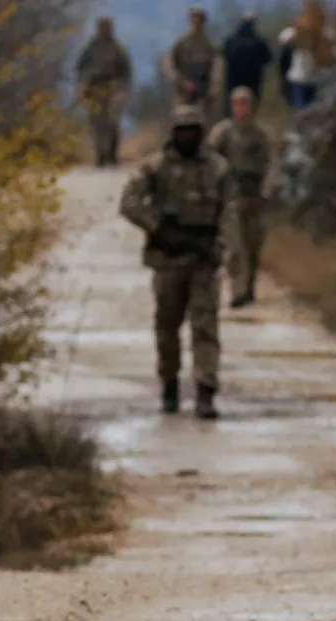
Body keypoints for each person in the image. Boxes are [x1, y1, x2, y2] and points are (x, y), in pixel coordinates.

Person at [120, 103, 236, 419]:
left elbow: (230, 212)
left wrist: (221, 248)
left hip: (202, 260)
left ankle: (205, 390)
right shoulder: (156, 168)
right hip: (168, 260)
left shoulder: (217, 168)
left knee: (205, 327)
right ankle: (170, 385)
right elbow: (128, 202)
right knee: (167, 327)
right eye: (181, 130)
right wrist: (158, 227)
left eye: (192, 131)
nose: (187, 136)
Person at [208, 87, 272, 308]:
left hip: (254, 194)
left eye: (245, 103)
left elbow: (271, 164)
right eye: (237, 104)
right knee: (234, 247)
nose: (241, 108)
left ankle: (249, 286)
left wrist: (267, 190)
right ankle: (238, 290)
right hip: (232, 195)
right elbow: (210, 160)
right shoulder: (223, 132)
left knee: (252, 244)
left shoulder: (261, 135)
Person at [75, 17, 133, 167]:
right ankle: (100, 155)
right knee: (96, 123)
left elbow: (126, 71)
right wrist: (82, 85)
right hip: (94, 89)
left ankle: (112, 155)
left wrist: (123, 88)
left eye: (107, 27)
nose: (105, 31)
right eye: (102, 27)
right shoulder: (91, 48)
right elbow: (80, 68)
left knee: (112, 121)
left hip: (112, 88)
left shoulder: (117, 49)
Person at [277, 1, 336, 109]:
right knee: (302, 113)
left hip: (317, 80)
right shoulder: (298, 30)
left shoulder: (325, 33)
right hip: (300, 80)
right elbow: (283, 38)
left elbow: (331, 48)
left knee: (316, 113)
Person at [167, 6, 218, 112]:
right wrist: (182, 82)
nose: (196, 23)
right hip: (183, 94)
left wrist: (213, 88)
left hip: (203, 94)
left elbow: (216, 69)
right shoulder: (181, 44)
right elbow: (169, 66)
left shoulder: (209, 46)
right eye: (194, 20)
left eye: (199, 20)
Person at [221, 12, 273, 114]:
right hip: (253, 84)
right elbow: (268, 59)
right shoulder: (259, 42)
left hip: (233, 84)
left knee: (233, 110)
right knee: (250, 110)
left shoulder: (231, 40)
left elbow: (224, 56)